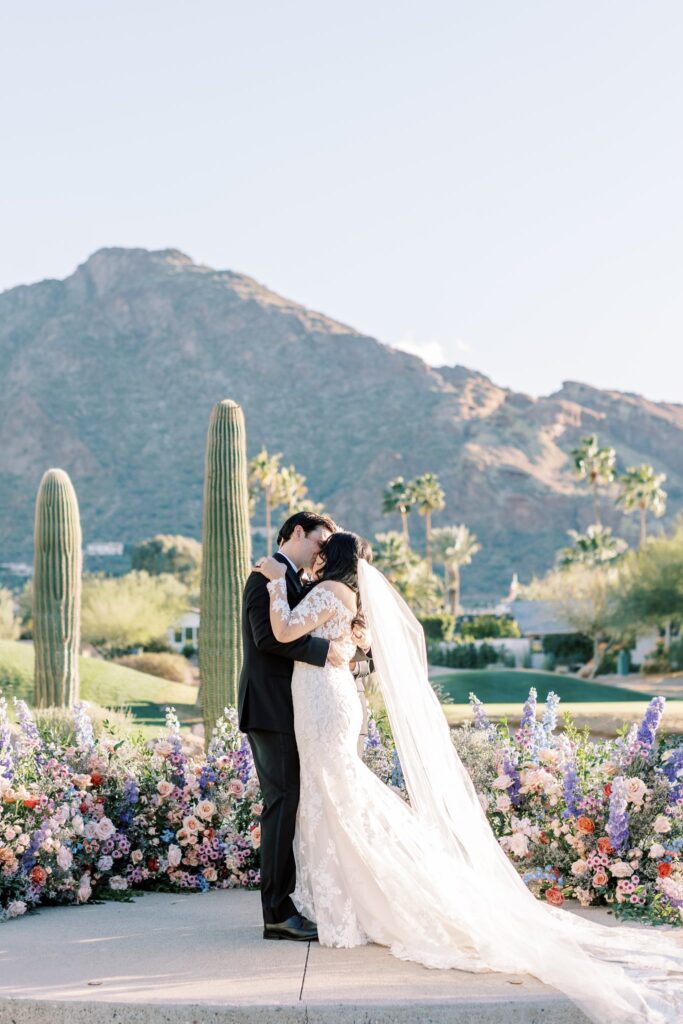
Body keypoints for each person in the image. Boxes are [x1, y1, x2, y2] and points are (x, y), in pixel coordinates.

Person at [254, 531, 683, 1024]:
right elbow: (341, 647)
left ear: (336, 559)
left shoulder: (332, 592)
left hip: (325, 704)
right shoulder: (344, 598)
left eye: (324, 551)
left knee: (337, 790)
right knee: (333, 793)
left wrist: (272, 583)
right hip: (322, 699)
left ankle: (363, 895)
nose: (317, 556)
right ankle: (347, 893)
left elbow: (284, 631)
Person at [238, 510, 370, 942]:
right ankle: (277, 912)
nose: (321, 551)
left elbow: (324, 626)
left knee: (299, 802)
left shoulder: (310, 584)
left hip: (305, 708)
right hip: (272, 709)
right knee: (283, 803)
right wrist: (327, 651)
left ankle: (297, 901)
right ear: (298, 532)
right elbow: (269, 638)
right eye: (319, 541)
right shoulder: (265, 575)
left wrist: (344, 647)